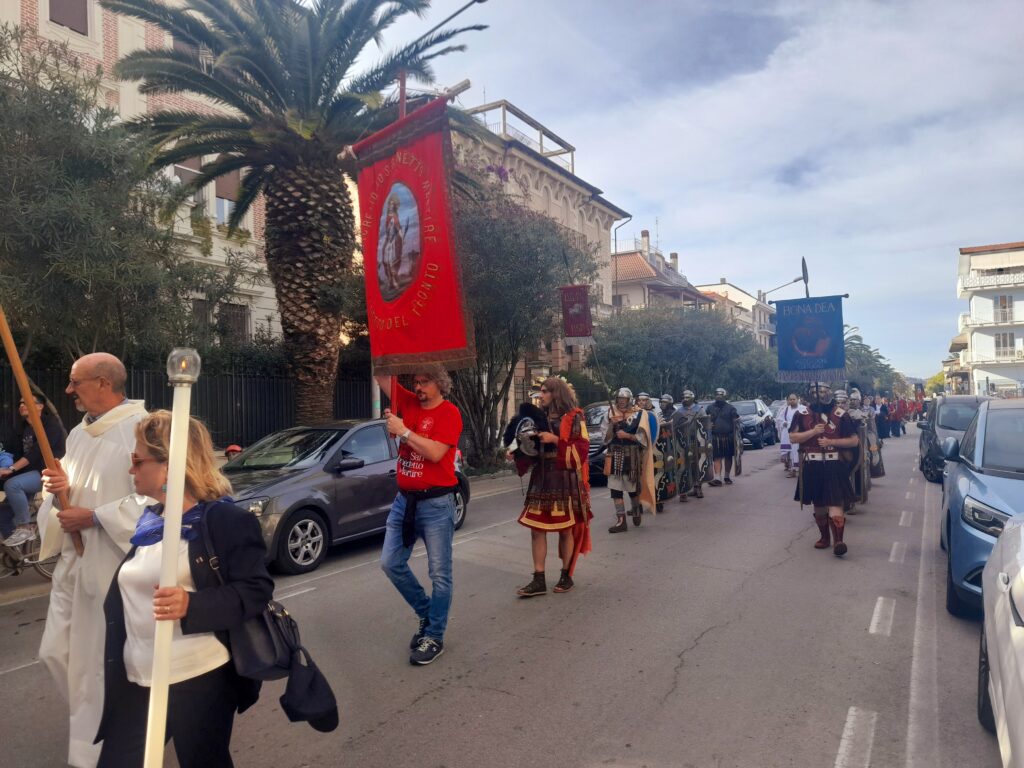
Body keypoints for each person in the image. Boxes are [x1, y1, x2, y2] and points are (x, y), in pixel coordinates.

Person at [95, 412, 273, 768]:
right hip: (137, 678)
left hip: (198, 676)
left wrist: (192, 604)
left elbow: (256, 589)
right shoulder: (151, 521)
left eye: (138, 461)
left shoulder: (225, 520)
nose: (131, 469)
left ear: (168, 465)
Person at [37, 353, 150, 768]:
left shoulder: (143, 430)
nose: (69, 390)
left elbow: (158, 498)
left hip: (111, 563)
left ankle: (101, 746)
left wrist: (96, 516)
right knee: (55, 651)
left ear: (103, 383)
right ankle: (103, 727)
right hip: (74, 560)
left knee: (96, 661)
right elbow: (66, 495)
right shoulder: (78, 434)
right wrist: (57, 489)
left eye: (76, 382)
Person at [375, 367, 463, 666]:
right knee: (390, 563)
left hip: (436, 504)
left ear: (440, 383)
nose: (419, 387)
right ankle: (427, 613)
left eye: (425, 382)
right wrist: (383, 350)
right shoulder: (410, 403)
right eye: (416, 382)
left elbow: (436, 453)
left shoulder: (450, 414)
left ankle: (434, 636)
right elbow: (382, 376)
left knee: (439, 573)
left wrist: (404, 431)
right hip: (405, 502)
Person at [513, 377, 592, 597]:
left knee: (565, 530)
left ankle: (566, 575)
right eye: (541, 391)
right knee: (536, 529)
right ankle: (538, 579)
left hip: (563, 478)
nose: (541, 395)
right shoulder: (538, 418)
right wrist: (518, 451)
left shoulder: (575, 416)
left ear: (556, 393)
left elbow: (582, 449)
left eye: (545, 391)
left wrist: (555, 440)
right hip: (541, 477)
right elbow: (532, 449)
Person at [789, 382, 858, 557]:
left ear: (829, 392)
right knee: (819, 504)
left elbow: (854, 440)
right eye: (814, 391)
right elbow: (793, 437)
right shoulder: (801, 414)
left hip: (834, 464)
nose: (818, 394)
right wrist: (812, 432)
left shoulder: (841, 415)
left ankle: (839, 541)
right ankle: (825, 537)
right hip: (812, 465)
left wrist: (831, 442)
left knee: (835, 502)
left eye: (821, 391)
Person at [0, 394, 67, 547]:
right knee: (3, 513)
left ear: (40, 406)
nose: (21, 406)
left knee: (13, 485)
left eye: (26, 402)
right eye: (20, 403)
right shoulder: (23, 427)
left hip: (48, 472)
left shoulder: (50, 425)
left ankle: (25, 527)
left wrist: (11, 468)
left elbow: (37, 452)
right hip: (28, 474)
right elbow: (10, 450)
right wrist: (6, 466)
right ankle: (17, 553)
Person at [604, 388, 657, 532]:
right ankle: (621, 521)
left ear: (629, 400)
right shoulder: (610, 413)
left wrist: (627, 436)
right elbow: (605, 438)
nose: (621, 401)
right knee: (615, 489)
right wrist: (612, 426)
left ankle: (636, 510)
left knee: (632, 489)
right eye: (619, 398)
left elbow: (644, 438)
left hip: (631, 456)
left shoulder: (639, 414)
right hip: (614, 454)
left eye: (624, 399)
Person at [671, 390, 709, 502]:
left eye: (687, 397)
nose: (685, 399)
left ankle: (698, 487)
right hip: (682, 442)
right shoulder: (678, 411)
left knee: (696, 464)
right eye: (684, 397)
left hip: (695, 440)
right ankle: (684, 489)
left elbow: (704, 425)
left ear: (692, 398)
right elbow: (674, 426)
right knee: (683, 465)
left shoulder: (700, 409)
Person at [706, 388, 740, 487]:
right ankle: (717, 478)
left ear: (724, 396)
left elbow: (736, 420)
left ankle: (727, 476)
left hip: (728, 436)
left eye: (721, 395)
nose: (719, 397)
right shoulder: (710, 408)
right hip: (715, 436)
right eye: (717, 395)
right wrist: (708, 424)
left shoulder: (731, 408)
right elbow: (705, 420)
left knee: (728, 457)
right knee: (717, 457)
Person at [776, 393, 804, 479]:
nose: (792, 401)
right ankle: (793, 470)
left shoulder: (803, 409)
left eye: (794, 399)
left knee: (800, 452)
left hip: (800, 434)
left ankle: (802, 470)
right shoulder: (785, 409)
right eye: (790, 399)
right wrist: (784, 423)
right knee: (791, 453)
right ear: (788, 400)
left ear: (797, 399)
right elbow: (779, 419)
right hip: (789, 434)